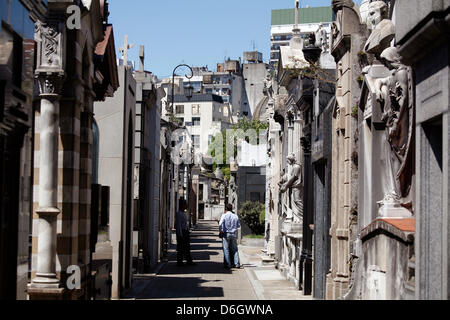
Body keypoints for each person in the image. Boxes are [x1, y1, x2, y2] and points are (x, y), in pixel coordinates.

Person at [219, 203, 242, 269]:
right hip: (233, 234)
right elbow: (238, 226)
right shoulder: (235, 216)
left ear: (226, 208)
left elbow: (220, 224)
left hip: (226, 234)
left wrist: (221, 231)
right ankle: (237, 264)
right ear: (232, 209)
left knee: (226, 249)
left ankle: (228, 264)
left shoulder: (224, 215)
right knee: (235, 249)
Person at [175, 199, 195, 266]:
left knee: (186, 247)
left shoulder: (184, 213)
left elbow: (185, 224)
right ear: (182, 205)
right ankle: (180, 262)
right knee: (181, 248)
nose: (186, 205)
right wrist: (180, 234)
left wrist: (188, 231)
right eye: (185, 204)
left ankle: (188, 261)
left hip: (185, 232)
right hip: (182, 233)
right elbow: (178, 225)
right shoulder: (179, 214)